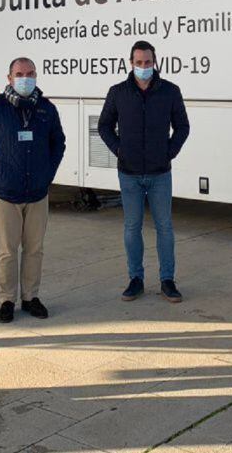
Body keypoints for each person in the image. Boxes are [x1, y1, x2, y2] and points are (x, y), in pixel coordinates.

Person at [0, 57, 66, 323]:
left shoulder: (46, 108)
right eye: (20, 74)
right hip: (5, 193)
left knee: (35, 249)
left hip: (37, 193)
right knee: (7, 250)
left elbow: (58, 143)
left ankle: (31, 297)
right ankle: (7, 300)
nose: (26, 78)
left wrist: (47, 174)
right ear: (9, 78)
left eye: (30, 73)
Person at [98, 40, 190, 303]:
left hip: (160, 173)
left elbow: (182, 126)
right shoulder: (118, 92)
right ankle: (135, 279)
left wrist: (169, 152)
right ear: (131, 63)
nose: (143, 66)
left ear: (154, 62)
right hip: (129, 173)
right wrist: (119, 149)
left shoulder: (170, 91)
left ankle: (167, 280)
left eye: (148, 62)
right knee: (132, 228)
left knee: (165, 228)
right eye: (138, 62)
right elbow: (104, 126)